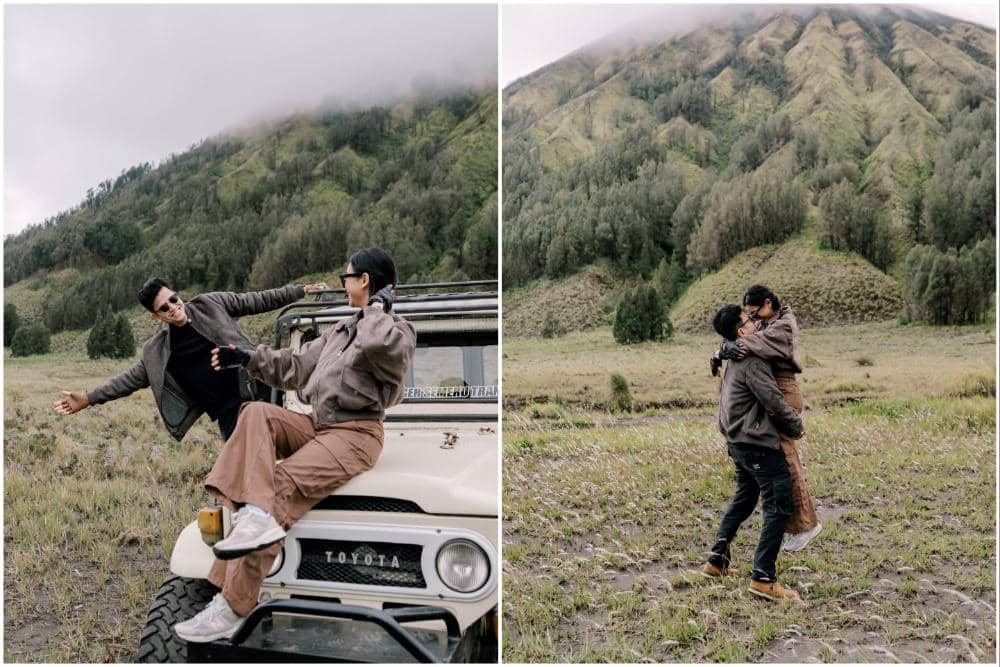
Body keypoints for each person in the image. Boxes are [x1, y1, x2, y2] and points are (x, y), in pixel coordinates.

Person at [172, 247, 416, 643]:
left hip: (356, 435)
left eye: (347, 277)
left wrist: (376, 309)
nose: (344, 283)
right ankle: (252, 519)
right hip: (319, 425)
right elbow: (295, 367)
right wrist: (247, 357)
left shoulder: (396, 329)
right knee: (255, 413)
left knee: (280, 485)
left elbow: (381, 350)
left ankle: (233, 606)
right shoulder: (340, 330)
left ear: (365, 281)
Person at [52, 278, 328, 440]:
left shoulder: (210, 304)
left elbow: (256, 300)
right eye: (165, 307)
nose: (174, 307)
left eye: (174, 299)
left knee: (294, 453)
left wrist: (300, 290)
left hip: (266, 393)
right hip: (232, 418)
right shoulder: (158, 351)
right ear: (156, 316)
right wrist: (89, 398)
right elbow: (128, 380)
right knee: (251, 476)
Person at [702, 304, 803, 601]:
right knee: (778, 505)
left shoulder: (734, 353)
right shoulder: (751, 359)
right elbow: (772, 400)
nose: (755, 321)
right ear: (741, 329)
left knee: (744, 499)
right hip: (757, 444)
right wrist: (795, 425)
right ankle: (763, 578)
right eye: (749, 319)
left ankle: (717, 560)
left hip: (737, 442)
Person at [711, 285, 821, 552]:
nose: (755, 319)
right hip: (772, 387)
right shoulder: (764, 321)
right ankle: (800, 526)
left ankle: (806, 524)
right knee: (773, 464)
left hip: (784, 389)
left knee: (785, 454)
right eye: (750, 316)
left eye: (755, 313)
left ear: (769, 303)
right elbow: (744, 340)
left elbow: (752, 343)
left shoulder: (783, 326)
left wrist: (725, 348)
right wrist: (724, 348)